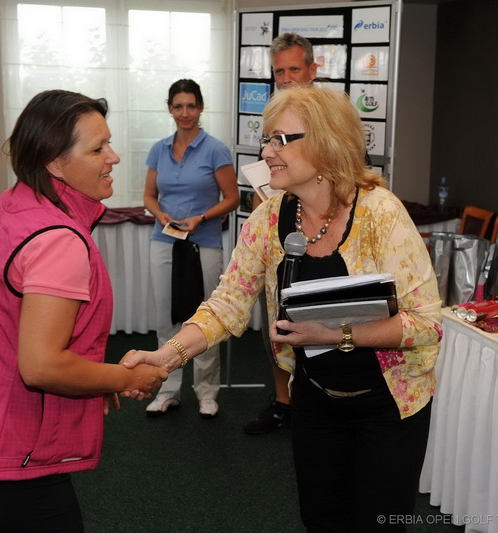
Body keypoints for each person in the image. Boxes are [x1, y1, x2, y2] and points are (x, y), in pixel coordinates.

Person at [123, 86, 442, 531]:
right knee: (321, 519)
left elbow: (426, 324)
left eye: (279, 140)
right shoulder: (269, 218)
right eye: (266, 139)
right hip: (314, 401)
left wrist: (335, 335)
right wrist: (167, 356)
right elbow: (227, 303)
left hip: (389, 407)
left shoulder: (381, 214)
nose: (265, 152)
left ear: (327, 143)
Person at [0, 90, 168, 532]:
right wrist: (126, 378)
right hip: (5, 446)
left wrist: (93, 380)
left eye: (109, 143)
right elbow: (41, 367)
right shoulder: (58, 239)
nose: (113, 157)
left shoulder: (15, 202)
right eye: (97, 149)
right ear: (54, 163)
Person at [143, 79, 238, 418]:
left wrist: (201, 217)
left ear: (201, 108)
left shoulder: (216, 150)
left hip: (204, 243)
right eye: (178, 106)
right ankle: (167, 390)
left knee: (203, 319)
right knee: (166, 318)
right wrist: (159, 214)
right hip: (164, 241)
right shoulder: (159, 149)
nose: (185, 113)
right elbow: (149, 196)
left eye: (191, 106)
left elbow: (232, 198)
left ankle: (206, 392)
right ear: (170, 109)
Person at [243, 32, 318, 435]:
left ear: (312, 69)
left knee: (321, 321)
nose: (287, 78)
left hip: (322, 238)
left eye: (294, 69)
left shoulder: (331, 118)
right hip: (278, 234)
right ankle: (283, 402)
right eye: (279, 72)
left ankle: (313, 401)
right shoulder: (273, 116)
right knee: (276, 319)